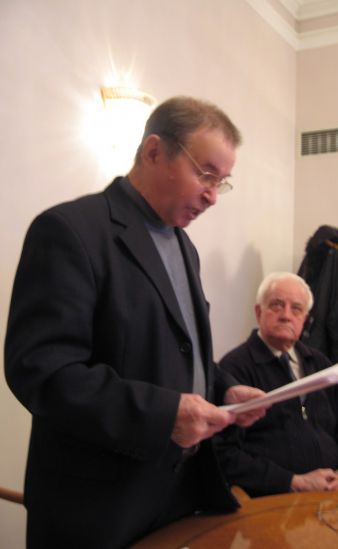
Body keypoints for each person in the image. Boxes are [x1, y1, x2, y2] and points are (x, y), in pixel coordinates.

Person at [4, 96, 266, 548]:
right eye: (205, 174)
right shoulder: (70, 230)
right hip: (98, 508)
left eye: (220, 183)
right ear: (153, 151)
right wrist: (164, 416)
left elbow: (175, 349)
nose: (211, 195)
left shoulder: (184, 246)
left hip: (176, 495)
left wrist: (222, 388)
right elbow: (42, 373)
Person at [215, 272, 338, 496]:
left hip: (333, 497)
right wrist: (293, 482)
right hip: (273, 501)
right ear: (258, 312)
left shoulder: (321, 364)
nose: (286, 316)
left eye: (296, 308)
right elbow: (224, 454)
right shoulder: (234, 369)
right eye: (276, 305)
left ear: (305, 319)